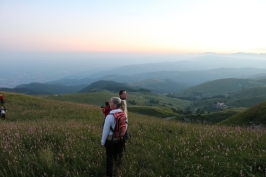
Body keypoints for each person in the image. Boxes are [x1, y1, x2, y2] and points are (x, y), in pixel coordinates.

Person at [101, 97, 127, 177]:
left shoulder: (110, 116)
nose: (109, 103)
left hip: (111, 141)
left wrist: (102, 142)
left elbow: (105, 131)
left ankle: (109, 174)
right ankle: (118, 172)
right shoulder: (123, 114)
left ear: (115, 105)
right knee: (118, 157)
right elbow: (125, 127)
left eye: (111, 102)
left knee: (110, 159)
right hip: (120, 140)